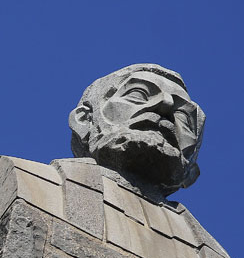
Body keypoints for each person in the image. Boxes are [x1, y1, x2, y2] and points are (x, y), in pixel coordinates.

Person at [68, 64, 205, 196]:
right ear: (85, 119)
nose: (166, 104)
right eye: (138, 94)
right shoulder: (50, 188)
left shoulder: (185, 220)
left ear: (192, 172)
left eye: (183, 116)